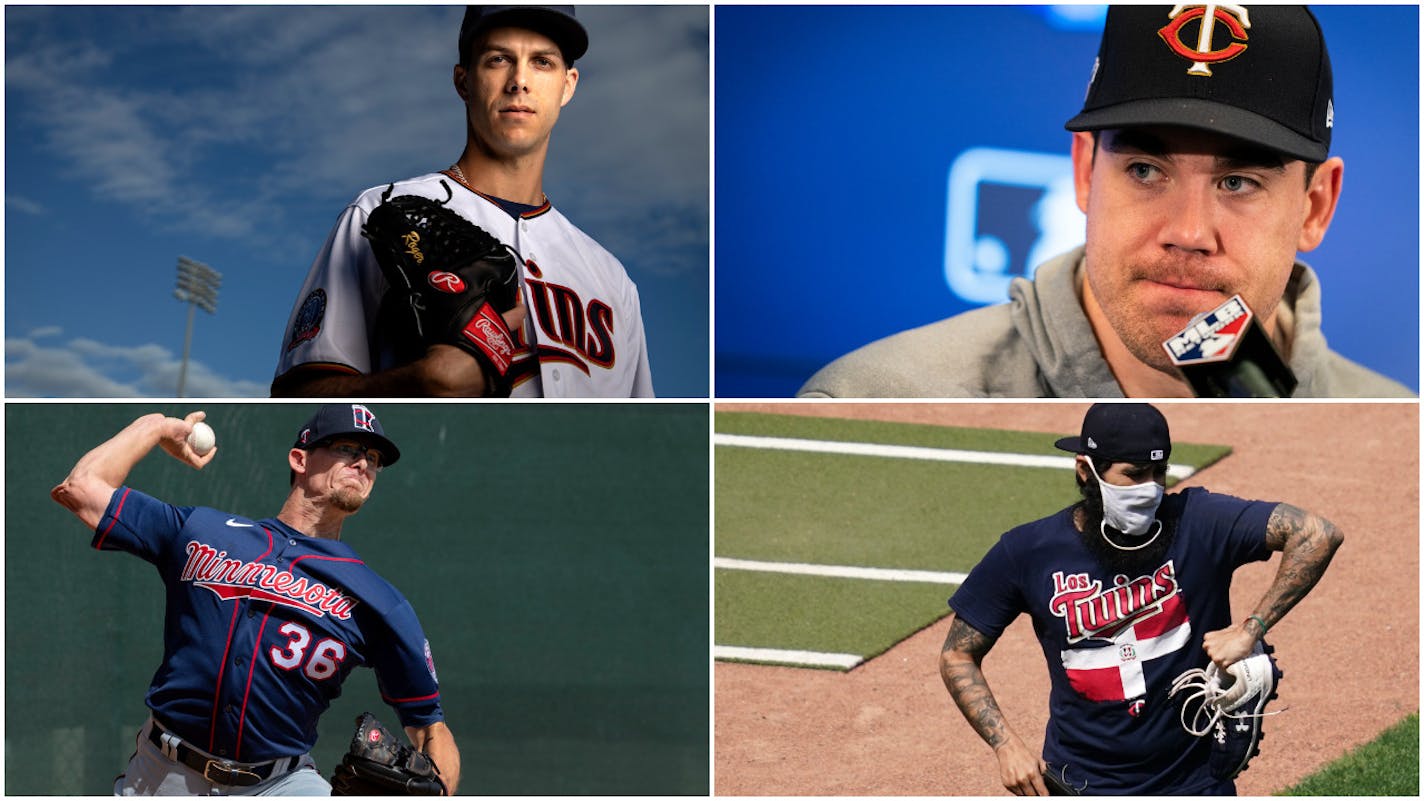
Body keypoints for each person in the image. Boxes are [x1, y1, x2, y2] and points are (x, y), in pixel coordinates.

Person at [800, 5, 1412, 398]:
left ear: (1315, 207)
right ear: (1087, 172)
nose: (1190, 231)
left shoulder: (1399, 434)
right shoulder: (874, 397)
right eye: (1146, 169)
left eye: (1238, 182)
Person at [50, 404, 460, 795]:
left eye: (374, 458)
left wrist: (436, 790)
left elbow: (430, 729)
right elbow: (82, 488)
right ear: (299, 459)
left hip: (282, 784)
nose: (364, 463)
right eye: (347, 449)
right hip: (163, 774)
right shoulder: (203, 530)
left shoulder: (378, 600)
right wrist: (155, 426)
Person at [937, 403, 1343, 795]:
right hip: (1080, 784)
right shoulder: (1027, 551)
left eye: (1159, 472)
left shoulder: (1199, 521)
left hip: (1194, 783)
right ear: (1085, 469)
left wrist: (1251, 628)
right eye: (1133, 475)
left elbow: (1317, 533)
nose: (1149, 488)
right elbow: (957, 654)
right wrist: (1004, 744)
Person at [272, 5, 654, 397]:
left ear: (568, 85)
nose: (519, 81)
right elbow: (293, 400)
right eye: (498, 59)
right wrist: (415, 384)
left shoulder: (612, 280)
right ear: (463, 81)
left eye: (542, 62)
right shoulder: (383, 215)